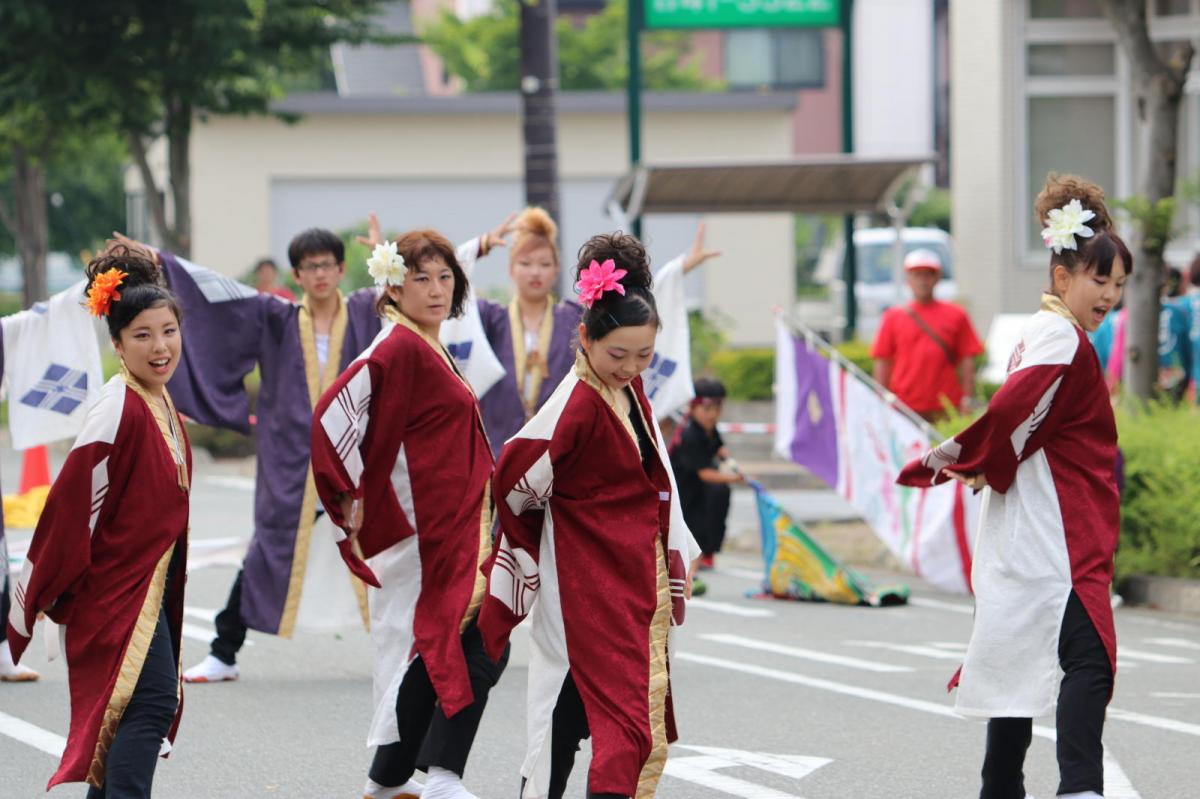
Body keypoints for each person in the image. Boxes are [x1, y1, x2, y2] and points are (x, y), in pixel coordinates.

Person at [898, 173, 1127, 799]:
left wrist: (977, 461)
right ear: (1062, 277)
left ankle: (1001, 789)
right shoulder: (1058, 334)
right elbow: (1014, 411)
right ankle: (1080, 787)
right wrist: (957, 455)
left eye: (1117, 285)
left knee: (1016, 666)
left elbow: (1023, 421)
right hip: (1059, 532)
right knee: (1090, 662)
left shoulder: (1043, 330)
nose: (1109, 294)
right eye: (1098, 279)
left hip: (1027, 520)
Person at [478, 233, 700, 799]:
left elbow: (658, 481)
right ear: (585, 337)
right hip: (582, 577)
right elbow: (517, 479)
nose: (630, 367)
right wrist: (542, 542)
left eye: (643, 355)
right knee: (600, 715)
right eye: (618, 355)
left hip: (622, 576)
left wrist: (672, 548)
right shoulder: (577, 403)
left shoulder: (627, 393)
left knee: (589, 713)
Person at [311, 229, 507, 799]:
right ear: (392, 286)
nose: (436, 288)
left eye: (445, 276)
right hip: (426, 531)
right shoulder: (396, 345)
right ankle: (439, 776)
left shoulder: (426, 341)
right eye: (420, 278)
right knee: (464, 639)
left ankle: (391, 779)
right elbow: (332, 416)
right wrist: (350, 495)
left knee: (442, 643)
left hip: (454, 524)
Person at [7, 247, 191, 796]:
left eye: (168, 331)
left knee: (127, 710)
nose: (160, 347)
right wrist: (38, 591)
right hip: (115, 591)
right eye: (141, 335)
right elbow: (69, 508)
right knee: (153, 700)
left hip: (146, 584)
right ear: (116, 344)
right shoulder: (117, 407)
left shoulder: (157, 400)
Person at [460, 208, 719, 456]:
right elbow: (451, 303)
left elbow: (628, 304)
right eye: (525, 263)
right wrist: (477, 248)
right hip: (499, 445)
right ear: (511, 269)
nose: (535, 271)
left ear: (556, 269)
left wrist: (678, 269)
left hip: (562, 445)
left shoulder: (574, 316)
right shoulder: (490, 319)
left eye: (544, 263)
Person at [871, 248, 984, 420]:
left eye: (928, 274)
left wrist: (967, 398)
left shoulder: (956, 315)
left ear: (937, 278)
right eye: (917, 275)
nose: (923, 280)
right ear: (908, 279)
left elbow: (967, 360)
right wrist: (880, 400)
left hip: (946, 407)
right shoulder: (893, 317)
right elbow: (883, 361)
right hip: (904, 408)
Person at [669, 377, 745, 571]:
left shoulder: (708, 429)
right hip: (685, 490)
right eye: (707, 409)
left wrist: (729, 461)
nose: (713, 415)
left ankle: (702, 557)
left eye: (717, 409)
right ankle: (689, 570)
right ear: (693, 408)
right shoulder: (690, 434)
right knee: (693, 527)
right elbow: (705, 474)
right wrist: (736, 477)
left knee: (713, 512)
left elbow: (719, 447)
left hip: (700, 491)